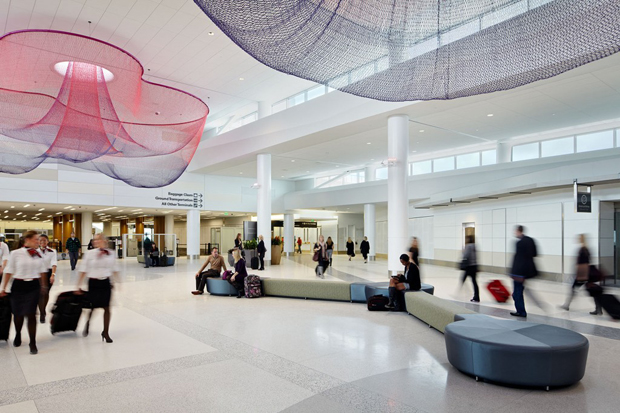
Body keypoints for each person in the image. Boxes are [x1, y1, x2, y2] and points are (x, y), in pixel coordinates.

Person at [0, 230, 47, 355]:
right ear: (28, 240)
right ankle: (18, 333)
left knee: (31, 314)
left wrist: (43, 285)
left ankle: (32, 342)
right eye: (36, 239)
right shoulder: (15, 253)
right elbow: (8, 271)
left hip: (33, 287)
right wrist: (3, 288)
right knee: (18, 314)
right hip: (18, 286)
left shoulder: (38, 254)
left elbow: (42, 270)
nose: (38, 242)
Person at [75, 234, 119, 343]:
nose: (96, 241)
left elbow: (114, 268)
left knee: (107, 308)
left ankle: (105, 332)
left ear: (104, 240)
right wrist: (78, 285)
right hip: (93, 283)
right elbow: (83, 269)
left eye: (98, 239)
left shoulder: (111, 253)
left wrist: (117, 281)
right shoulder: (89, 254)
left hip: (105, 283)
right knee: (92, 307)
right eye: (94, 240)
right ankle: (88, 323)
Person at [561, 234, 596, 312]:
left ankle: (567, 305)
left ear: (581, 239)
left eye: (579, 238)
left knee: (574, 288)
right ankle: (598, 309)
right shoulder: (586, 249)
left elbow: (580, 262)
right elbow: (589, 261)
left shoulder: (582, 250)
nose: (578, 239)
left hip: (582, 274)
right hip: (586, 272)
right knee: (591, 290)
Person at [510, 225, 538, 318]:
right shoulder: (531, 240)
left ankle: (521, 311)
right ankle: (521, 310)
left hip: (518, 272)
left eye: (515, 231)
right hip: (527, 272)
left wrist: (513, 271)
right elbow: (535, 254)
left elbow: (518, 259)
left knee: (516, 293)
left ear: (519, 231)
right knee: (518, 292)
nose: (515, 233)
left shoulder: (519, 243)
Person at [37, 234, 57, 323]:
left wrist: (53, 275)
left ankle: (43, 308)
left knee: (46, 293)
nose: (42, 242)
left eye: (44, 240)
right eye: (40, 240)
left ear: (47, 241)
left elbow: (54, 263)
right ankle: (41, 312)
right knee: (39, 293)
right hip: (37, 274)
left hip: (48, 272)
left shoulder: (52, 251)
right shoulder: (35, 251)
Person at [460, 235, 479, 303]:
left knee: (462, 279)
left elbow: (466, 255)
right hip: (474, 266)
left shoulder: (468, 246)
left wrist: (463, 252)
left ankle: (459, 294)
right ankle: (476, 296)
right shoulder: (475, 246)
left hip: (469, 267)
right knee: (474, 282)